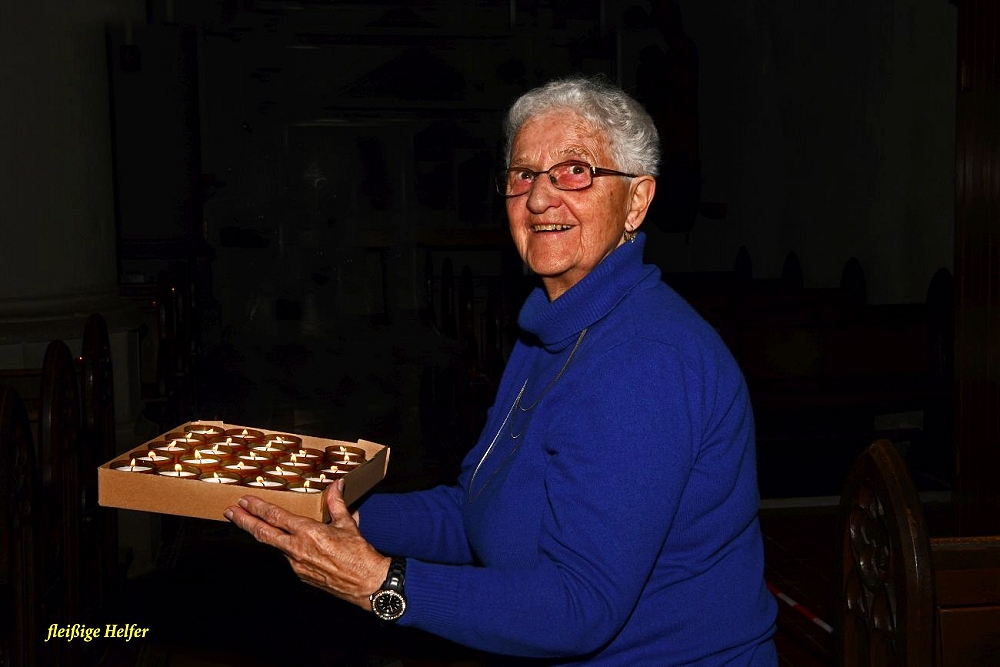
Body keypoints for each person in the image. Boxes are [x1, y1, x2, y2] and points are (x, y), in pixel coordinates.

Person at [225, 75, 778, 666]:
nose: (539, 199)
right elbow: (477, 513)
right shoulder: (551, 329)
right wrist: (326, 508)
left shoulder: (646, 358)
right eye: (523, 175)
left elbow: (578, 608)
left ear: (637, 201)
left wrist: (381, 584)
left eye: (575, 171)